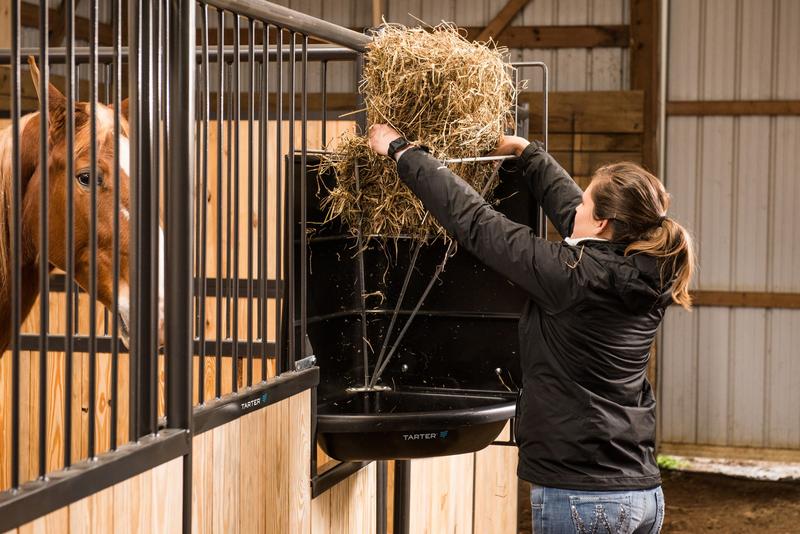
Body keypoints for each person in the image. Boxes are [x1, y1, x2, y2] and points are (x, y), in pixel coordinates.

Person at [368, 123, 695, 534]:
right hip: (641, 491)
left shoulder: (571, 277)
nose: (574, 208)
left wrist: (401, 151)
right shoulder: (647, 271)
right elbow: (576, 216)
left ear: (603, 222)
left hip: (582, 494)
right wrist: (528, 153)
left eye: (585, 202)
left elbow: (477, 224)